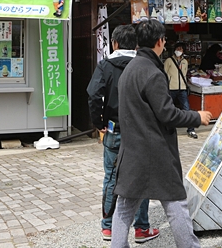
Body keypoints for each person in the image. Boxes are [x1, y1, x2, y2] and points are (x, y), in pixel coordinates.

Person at [112, 19, 212, 248]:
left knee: (125, 207)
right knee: (175, 202)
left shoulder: (129, 69)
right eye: (165, 39)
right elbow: (168, 114)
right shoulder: (152, 73)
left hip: (131, 151)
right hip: (156, 152)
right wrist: (196, 117)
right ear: (160, 41)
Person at [86, 25, 159, 243]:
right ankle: (141, 228)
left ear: (115, 43)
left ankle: (108, 227)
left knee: (111, 177)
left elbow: (93, 95)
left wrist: (98, 122)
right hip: (140, 132)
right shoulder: (144, 65)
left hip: (113, 129)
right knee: (141, 178)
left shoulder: (105, 65)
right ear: (135, 44)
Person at [164, 42, 197, 139]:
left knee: (186, 108)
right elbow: (164, 73)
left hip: (182, 88)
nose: (179, 51)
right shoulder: (169, 61)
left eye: (181, 49)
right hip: (171, 88)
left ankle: (191, 129)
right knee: (168, 108)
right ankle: (166, 129)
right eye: (177, 49)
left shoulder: (185, 62)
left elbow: (185, 73)